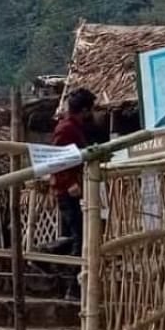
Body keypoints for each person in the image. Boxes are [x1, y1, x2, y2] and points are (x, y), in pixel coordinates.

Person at [53, 88, 96, 257]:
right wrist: (69, 182)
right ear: (84, 110)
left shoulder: (75, 127)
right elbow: (56, 158)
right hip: (67, 190)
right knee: (78, 235)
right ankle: (73, 278)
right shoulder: (66, 129)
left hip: (74, 188)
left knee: (79, 233)